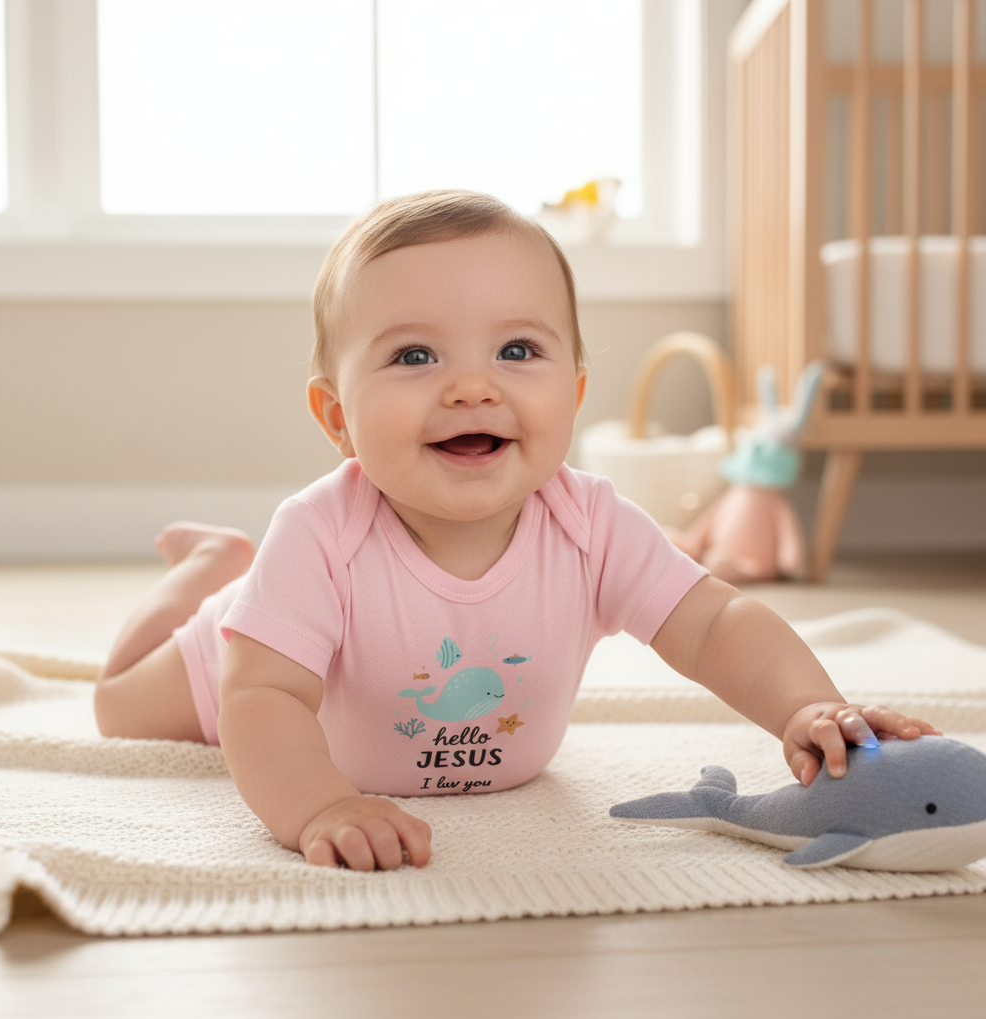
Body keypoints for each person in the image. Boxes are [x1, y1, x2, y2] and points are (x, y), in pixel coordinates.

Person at [93, 190, 940, 873]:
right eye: (415, 356)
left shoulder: (589, 523)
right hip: (243, 648)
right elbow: (264, 698)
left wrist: (807, 704)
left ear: (572, 396)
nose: (470, 387)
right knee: (114, 705)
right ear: (337, 416)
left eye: (518, 350)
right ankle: (211, 567)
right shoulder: (318, 534)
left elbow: (715, 623)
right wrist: (319, 804)